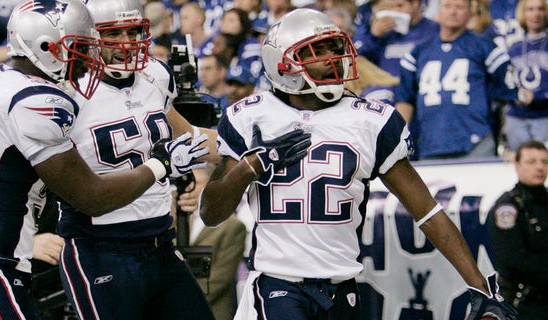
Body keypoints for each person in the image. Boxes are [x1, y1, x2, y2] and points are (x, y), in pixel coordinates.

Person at [199, 8, 517, 320]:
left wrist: (481, 288)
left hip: (343, 287)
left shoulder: (370, 120)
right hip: (278, 286)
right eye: (316, 52)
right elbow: (211, 214)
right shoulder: (250, 117)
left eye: (334, 48)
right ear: (283, 63)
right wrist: (250, 167)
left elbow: (428, 211)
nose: (332, 59)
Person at [0, 0, 209, 318]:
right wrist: (160, 165)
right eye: (78, 49)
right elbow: (93, 197)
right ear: (46, 47)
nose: (86, 63)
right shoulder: (38, 102)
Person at [56, 0, 217, 319]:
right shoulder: (66, 92)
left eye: (134, 31)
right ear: (88, 38)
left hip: (160, 243)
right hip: (99, 247)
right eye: (115, 33)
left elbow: (190, 136)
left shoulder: (155, 76)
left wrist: (247, 146)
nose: (128, 43)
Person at [395, 0, 528, 159]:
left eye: (459, 7)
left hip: (475, 141)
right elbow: (405, 99)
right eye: (448, 6)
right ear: (439, 10)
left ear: (470, 11)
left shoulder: (484, 47)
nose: (453, 12)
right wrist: (398, 139)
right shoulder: (418, 52)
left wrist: (521, 95)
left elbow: (508, 88)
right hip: (430, 143)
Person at [173, 166, 247, 320]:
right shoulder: (177, 220)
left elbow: (221, 278)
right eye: (186, 184)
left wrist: (185, 302)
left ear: (209, 185)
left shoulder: (233, 226)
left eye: (196, 183)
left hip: (213, 310)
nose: (189, 188)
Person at [487, 140, 548, 319]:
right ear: (517, 164)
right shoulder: (508, 207)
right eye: (531, 162)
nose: (539, 167)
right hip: (523, 304)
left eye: (544, 162)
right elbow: (514, 260)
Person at [504, 0, 548, 152]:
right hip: (516, 118)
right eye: (530, 9)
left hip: (544, 117)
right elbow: (505, 81)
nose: (536, 14)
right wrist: (514, 94)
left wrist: (537, 97)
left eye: (540, 9)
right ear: (523, 13)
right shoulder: (514, 49)